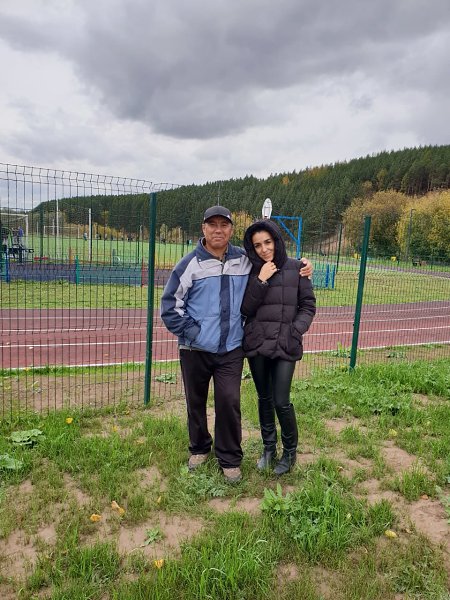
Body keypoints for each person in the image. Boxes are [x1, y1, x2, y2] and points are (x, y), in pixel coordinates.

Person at [161, 206, 313, 484]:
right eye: (212, 225)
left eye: (224, 225)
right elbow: (170, 306)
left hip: (231, 348)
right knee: (196, 402)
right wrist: (193, 333)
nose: (218, 230)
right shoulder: (189, 264)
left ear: (231, 230)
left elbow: (279, 266)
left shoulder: (244, 260)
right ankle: (199, 449)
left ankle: (230, 459)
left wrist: (303, 264)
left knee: (229, 402)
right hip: (194, 348)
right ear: (203, 228)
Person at [241, 220, 316, 475]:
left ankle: (290, 452)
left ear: (277, 241)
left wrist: (295, 331)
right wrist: (260, 280)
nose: (264, 249)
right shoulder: (250, 270)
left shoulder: (298, 268)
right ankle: (269, 449)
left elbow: (308, 306)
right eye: (257, 245)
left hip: (285, 343)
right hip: (258, 342)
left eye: (268, 242)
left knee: (281, 400)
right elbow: (246, 309)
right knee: (264, 398)